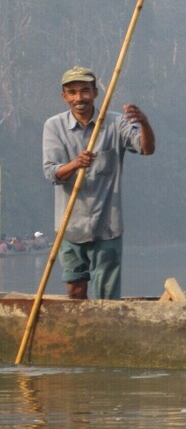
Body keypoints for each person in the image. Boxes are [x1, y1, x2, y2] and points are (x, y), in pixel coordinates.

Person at [42, 66, 156, 300]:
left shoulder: (116, 123)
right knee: (75, 290)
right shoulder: (53, 126)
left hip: (107, 226)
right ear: (64, 97)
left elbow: (146, 148)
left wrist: (144, 123)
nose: (79, 98)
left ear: (95, 93)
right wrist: (75, 164)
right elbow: (51, 172)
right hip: (70, 225)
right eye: (72, 92)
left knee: (106, 297)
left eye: (85, 91)